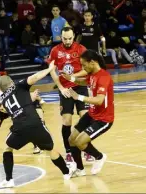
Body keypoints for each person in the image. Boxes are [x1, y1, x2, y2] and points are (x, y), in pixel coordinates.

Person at [0, 61, 76, 189]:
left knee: (7, 149)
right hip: (35, 123)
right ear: (11, 81)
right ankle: (66, 172)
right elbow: (35, 77)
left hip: (19, 128)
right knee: (50, 150)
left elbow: (17, 104)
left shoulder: (3, 100)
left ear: (0, 88)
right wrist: (49, 69)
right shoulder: (19, 86)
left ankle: (9, 180)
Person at [62, 49, 114, 175]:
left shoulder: (104, 77)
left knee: (80, 142)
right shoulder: (92, 75)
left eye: (84, 65)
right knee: (71, 139)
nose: (83, 67)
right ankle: (80, 169)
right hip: (92, 114)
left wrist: (78, 97)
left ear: (92, 62)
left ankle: (99, 157)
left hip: (103, 119)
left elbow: (99, 101)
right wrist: (71, 78)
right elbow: (84, 81)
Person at [47, 26, 91, 163]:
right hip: (65, 90)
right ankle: (69, 151)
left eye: (70, 38)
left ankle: (86, 149)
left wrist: (72, 76)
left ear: (74, 37)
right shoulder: (55, 50)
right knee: (67, 120)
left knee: (85, 118)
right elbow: (51, 70)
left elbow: (87, 70)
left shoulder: (81, 49)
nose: (67, 41)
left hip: (80, 87)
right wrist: (60, 87)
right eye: (65, 38)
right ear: (61, 37)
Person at [0, 89, 45, 158]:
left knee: (37, 123)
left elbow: (25, 94)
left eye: (3, 107)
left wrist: (39, 99)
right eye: (0, 109)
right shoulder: (0, 114)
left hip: (32, 104)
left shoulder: (15, 102)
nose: (3, 110)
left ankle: (39, 143)